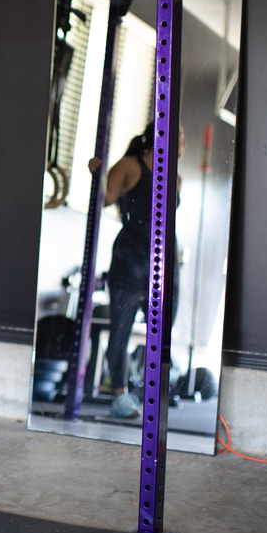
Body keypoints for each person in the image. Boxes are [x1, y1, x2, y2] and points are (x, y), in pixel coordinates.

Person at [89, 122, 185, 418]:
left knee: (163, 326)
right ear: (160, 135)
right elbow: (104, 200)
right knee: (120, 328)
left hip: (163, 255)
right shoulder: (129, 166)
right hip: (130, 255)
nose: (183, 144)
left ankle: (148, 392)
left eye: (183, 139)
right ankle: (119, 395)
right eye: (179, 138)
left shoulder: (176, 177)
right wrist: (97, 176)